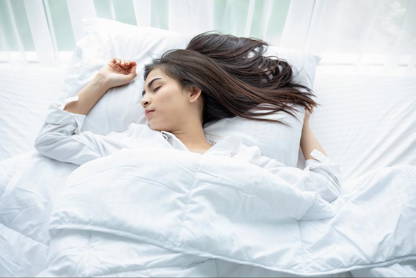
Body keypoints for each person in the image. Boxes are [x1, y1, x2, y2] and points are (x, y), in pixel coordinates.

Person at [34, 37, 341, 203]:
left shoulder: (240, 155)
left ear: (193, 92)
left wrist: (303, 126)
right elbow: (53, 140)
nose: (143, 99)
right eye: (143, 93)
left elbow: (323, 188)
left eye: (155, 88)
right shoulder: (132, 141)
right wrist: (100, 82)